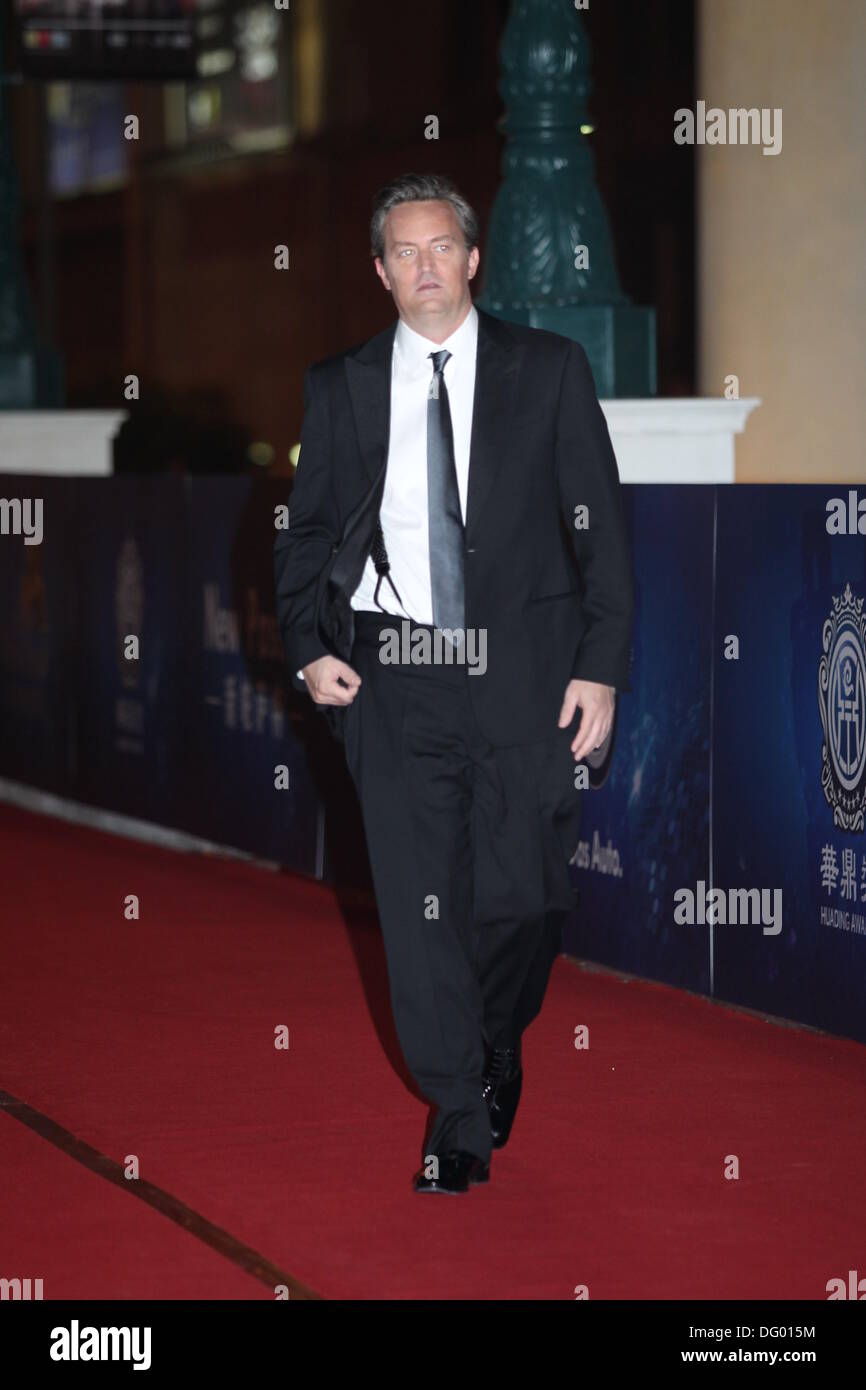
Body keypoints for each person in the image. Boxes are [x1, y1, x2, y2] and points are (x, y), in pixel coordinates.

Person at [274, 172, 634, 1194]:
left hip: (526, 673)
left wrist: (600, 668)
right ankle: (457, 1113)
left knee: (525, 899)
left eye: (442, 247)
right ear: (380, 270)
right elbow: (306, 531)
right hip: (397, 671)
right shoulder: (339, 386)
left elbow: (602, 533)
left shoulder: (549, 370)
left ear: (472, 259)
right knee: (421, 904)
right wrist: (307, 643)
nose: (425, 266)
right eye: (406, 251)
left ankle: (495, 1042)